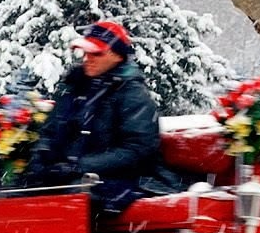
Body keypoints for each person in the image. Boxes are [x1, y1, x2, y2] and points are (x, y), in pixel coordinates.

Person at [24, 19, 162, 212]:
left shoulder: (132, 94)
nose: (88, 58)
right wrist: (42, 159)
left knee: (71, 201)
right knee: (12, 194)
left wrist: (79, 166)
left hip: (121, 181)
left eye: (96, 53)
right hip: (74, 178)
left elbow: (137, 150)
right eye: (86, 52)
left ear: (116, 55)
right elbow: (51, 130)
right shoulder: (74, 88)